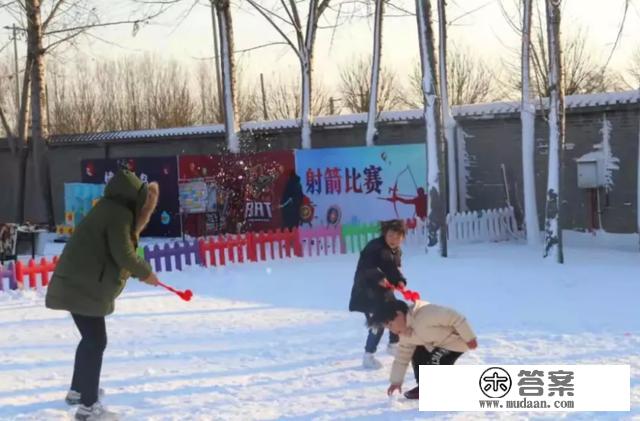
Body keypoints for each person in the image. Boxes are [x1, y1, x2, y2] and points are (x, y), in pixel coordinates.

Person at [46, 169, 161, 421]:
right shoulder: (118, 214)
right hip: (81, 287)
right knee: (96, 341)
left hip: (77, 283)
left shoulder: (109, 208)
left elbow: (111, 253)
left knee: (90, 339)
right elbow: (123, 254)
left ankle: (78, 391)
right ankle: (88, 408)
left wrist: (134, 271)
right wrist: (146, 273)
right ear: (136, 198)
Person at [368, 299, 478, 400]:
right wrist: (396, 381)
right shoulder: (405, 334)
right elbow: (402, 357)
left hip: (455, 342)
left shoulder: (426, 315)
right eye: (388, 328)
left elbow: (455, 317)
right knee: (415, 352)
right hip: (436, 343)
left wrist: (469, 338)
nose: (392, 331)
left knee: (436, 361)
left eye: (391, 325)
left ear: (399, 315)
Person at [349, 219, 407, 369]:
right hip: (366, 291)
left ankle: (393, 345)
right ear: (384, 235)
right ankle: (368, 356)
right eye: (390, 236)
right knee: (379, 322)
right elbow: (366, 267)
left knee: (396, 313)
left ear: (402, 237)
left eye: (397, 236)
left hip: (384, 291)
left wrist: (400, 281)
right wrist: (379, 278)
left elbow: (394, 269)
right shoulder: (374, 247)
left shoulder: (396, 251)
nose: (394, 240)